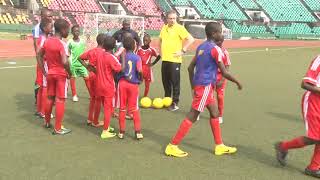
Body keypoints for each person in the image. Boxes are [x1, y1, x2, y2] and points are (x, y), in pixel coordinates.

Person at [164, 22, 242, 158]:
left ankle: (219, 146)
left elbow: (190, 68)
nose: (221, 34)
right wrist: (237, 82)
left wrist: (193, 86)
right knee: (193, 115)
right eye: (220, 31)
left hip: (202, 85)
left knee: (215, 113)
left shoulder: (201, 47)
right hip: (206, 86)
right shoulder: (215, 49)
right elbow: (223, 72)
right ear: (214, 34)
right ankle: (172, 146)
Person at [275, 55, 320, 178]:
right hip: (313, 101)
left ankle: (313, 167)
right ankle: (282, 146)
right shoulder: (319, 60)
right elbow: (305, 84)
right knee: (315, 138)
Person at [37, 19, 72, 135]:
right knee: (60, 99)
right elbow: (65, 61)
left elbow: (39, 55)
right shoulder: (62, 44)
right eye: (68, 29)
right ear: (62, 30)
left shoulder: (47, 41)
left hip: (50, 73)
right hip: (61, 74)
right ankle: (58, 128)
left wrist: (44, 71)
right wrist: (69, 72)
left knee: (50, 97)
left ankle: (47, 122)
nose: (68, 32)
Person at [159, 10, 195, 111]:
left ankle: (175, 103)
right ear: (167, 19)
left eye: (174, 18)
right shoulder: (164, 28)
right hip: (165, 59)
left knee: (175, 82)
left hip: (175, 60)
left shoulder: (179, 28)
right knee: (165, 81)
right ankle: (167, 100)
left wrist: (183, 50)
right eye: (170, 18)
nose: (172, 20)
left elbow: (191, 39)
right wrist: (160, 53)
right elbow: (160, 40)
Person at [95, 36, 122, 139]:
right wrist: (122, 56)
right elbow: (119, 68)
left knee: (106, 107)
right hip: (108, 86)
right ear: (114, 46)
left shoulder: (99, 54)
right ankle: (105, 131)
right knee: (107, 109)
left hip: (99, 84)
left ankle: (107, 126)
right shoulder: (111, 57)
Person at [117, 36, 143, 140]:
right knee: (134, 108)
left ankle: (121, 132)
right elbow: (140, 71)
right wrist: (140, 79)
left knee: (122, 108)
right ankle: (138, 132)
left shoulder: (122, 56)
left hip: (122, 83)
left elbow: (119, 68)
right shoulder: (137, 57)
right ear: (134, 46)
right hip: (133, 85)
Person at [79, 33, 106, 127]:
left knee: (93, 98)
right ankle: (95, 121)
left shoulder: (91, 51)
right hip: (99, 76)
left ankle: (89, 119)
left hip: (91, 76)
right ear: (104, 42)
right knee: (98, 99)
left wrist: (87, 67)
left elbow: (80, 58)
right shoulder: (103, 53)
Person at [33, 8, 53, 106]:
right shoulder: (37, 29)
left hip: (48, 61)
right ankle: (39, 104)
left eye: (51, 16)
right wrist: (41, 62)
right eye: (49, 16)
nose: (51, 18)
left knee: (46, 83)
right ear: (43, 16)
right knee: (40, 82)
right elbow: (37, 48)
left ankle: (43, 103)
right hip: (42, 60)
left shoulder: (50, 27)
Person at [35, 18, 53, 118]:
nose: (52, 28)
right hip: (44, 65)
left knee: (42, 88)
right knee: (45, 88)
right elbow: (39, 53)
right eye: (50, 26)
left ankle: (39, 110)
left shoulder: (46, 38)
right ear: (45, 28)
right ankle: (43, 111)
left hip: (43, 65)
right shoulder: (43, 39)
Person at [67, 25, 90, 102]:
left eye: (78, 31)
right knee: (73, 78)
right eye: (75, 31)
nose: (77, 32)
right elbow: (68, 52)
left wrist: (86, 61)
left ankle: (91, 94)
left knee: (87, 78)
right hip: (73, 64)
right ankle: (74, 95)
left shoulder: (83, 41)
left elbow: (84, 51)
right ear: (72, 32)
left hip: (82, 64)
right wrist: (69, 60)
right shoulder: (70, 42)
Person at [215, 37, 231, 124]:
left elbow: (227, 67)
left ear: (222, 42)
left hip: (221, 76)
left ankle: (220, 115)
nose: (217, 43)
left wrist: (222, 79)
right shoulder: (212, 50)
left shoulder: (225, 52)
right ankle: (198, 112)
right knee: (205, 96)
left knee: (220, 97)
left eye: (218, 41)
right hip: (211, 76)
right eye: (216, 41)